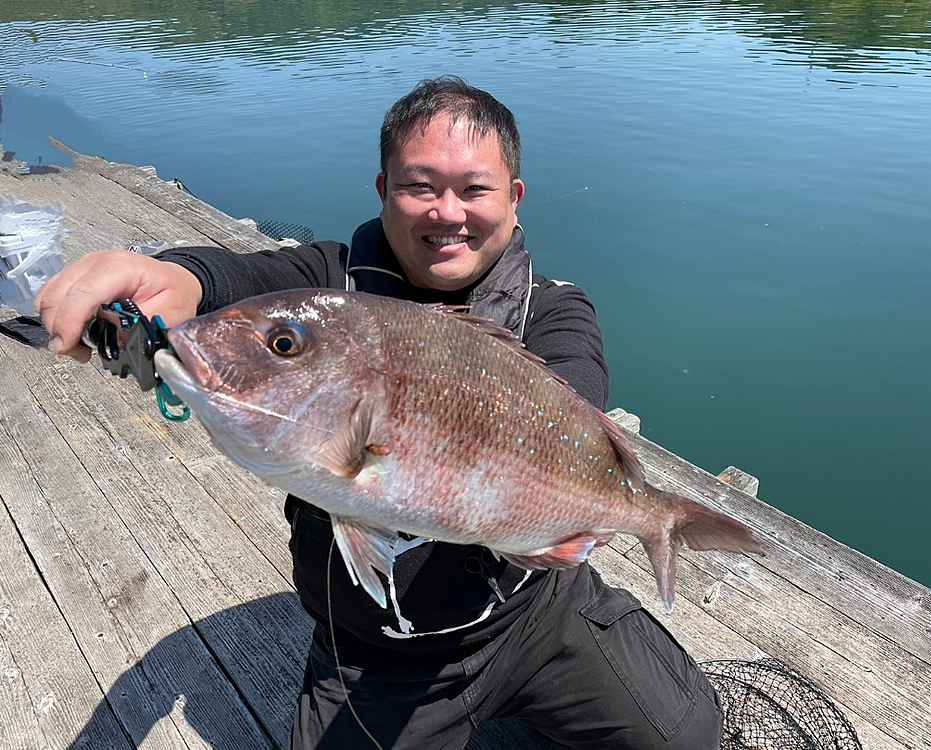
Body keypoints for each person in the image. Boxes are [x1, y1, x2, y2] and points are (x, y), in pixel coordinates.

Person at [37, 76, 722, 749]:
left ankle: (643, 553)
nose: (447, 212)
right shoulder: (328, 286)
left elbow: (572, 406)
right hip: (380, 655)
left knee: (690, 735)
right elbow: (236, 280)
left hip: (532, 614)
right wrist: (179, 278)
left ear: (513, 199)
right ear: (383, 190)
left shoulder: (555, 310)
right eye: (419, 186)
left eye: (474, 189)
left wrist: (583, 509)